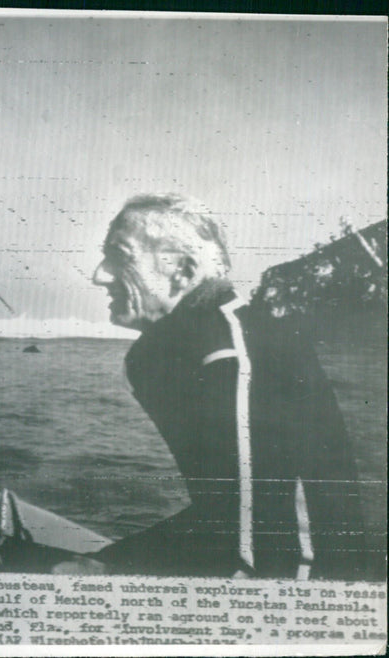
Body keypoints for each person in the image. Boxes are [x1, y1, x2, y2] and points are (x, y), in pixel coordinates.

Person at [59, 193, 372, 580]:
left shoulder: (228, 355)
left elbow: (273, 547)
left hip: (307, 591)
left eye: (120, 256)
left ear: (183, 271)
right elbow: (224, 511)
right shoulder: (160, 353)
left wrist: (111, 575)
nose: (99, 275)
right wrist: (115, 560)